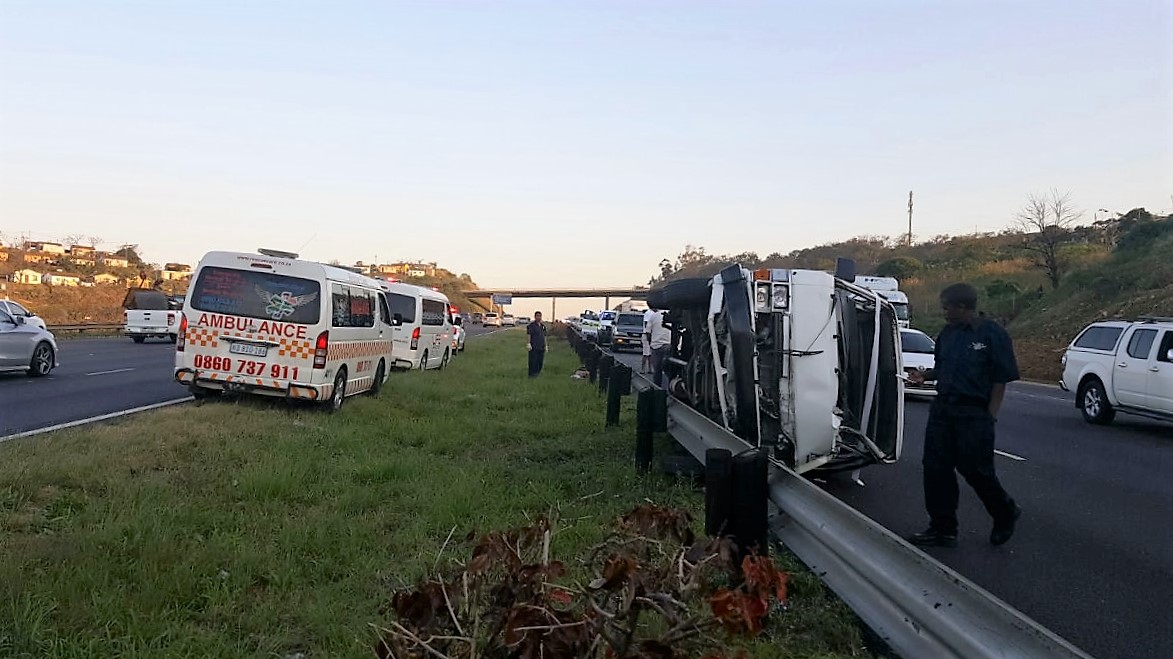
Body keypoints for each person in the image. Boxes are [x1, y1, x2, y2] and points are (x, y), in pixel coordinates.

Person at [907, 283, 1022, 548]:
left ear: (962, 306)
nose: (943, 311)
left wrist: (990, 416)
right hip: (942, 410)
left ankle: (1005, 511)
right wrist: (924, 376)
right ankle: (942, 528)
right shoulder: (947, 334)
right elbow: (944, 368)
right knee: (936, 470)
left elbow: (1000, 379)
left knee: (976, 470)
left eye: (946, 307)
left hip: (973, 414)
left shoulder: (992, 335)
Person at [644, 307, 672, 388]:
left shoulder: (654, 316)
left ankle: (657, 388)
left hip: (656, 346)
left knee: (657, 370)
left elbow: (648, 332)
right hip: (669, 345)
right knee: (669, 369)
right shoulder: (673, 315)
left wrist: (650, 344)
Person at [525, 311, 548, 377]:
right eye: (537, 316)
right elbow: (529, 334)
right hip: (534, 346)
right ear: (535, 317)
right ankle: (531, 374)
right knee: (533, 361)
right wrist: (529, 343)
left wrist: (546, 345)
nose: (539, 317)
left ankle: (537, 373)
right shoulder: (531, 326)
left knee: (540, 361)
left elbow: (544, 336)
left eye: (540, 316)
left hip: (541, 347)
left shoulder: (543, 326)